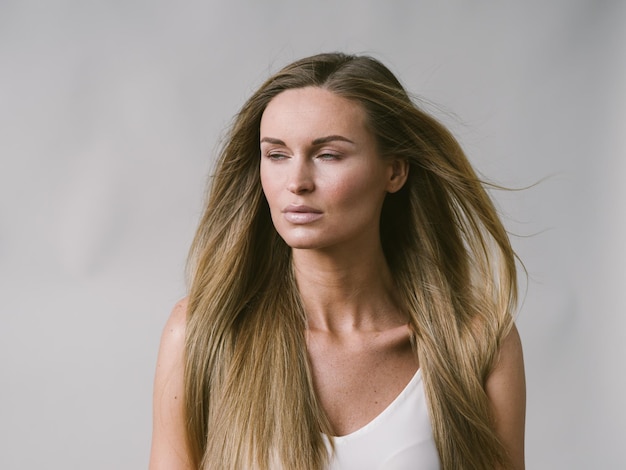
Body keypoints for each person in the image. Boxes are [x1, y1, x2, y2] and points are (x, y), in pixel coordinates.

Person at [149, 52, 526, 470]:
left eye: (328, 155)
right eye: (277, 155)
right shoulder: (203, 333)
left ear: (395, 171)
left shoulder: (474, 343)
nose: (297, 182)